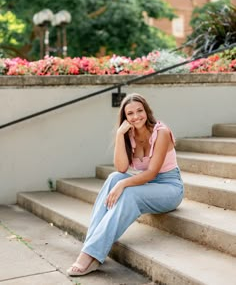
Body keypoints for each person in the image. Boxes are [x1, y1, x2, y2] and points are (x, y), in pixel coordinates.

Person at [67, 93, 184, 276]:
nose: (136, 116)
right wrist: (120, 134)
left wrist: (123, 186)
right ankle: (90, 248)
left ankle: (91, 255)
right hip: (148, 186)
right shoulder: (128, 134)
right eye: (130, 113)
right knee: (114, 177)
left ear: (147, 111)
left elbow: (152, 173)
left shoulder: (161, 132)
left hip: (169, 188)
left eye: (139, 111)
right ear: (125, 117)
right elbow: (121, 168)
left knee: (127, 191)